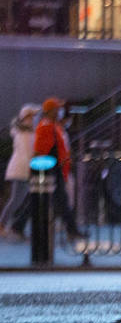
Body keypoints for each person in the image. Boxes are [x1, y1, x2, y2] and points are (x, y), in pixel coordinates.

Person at [10, 98, 84, 240]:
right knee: (49, 199)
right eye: (56, 109)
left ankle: (17, 226)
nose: (59, 112)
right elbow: (41, 149)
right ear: (50, 111)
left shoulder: (52, 125)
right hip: (49, 169)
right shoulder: (46, 126)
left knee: (40, 199)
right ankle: (72, 230)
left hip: (51, 168)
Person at [0, 104, 39, 239]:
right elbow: (29, 152)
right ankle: (3, 225)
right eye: (32, 116)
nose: (34, 119)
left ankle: (11, 225)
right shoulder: (25, 133)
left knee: (20, 199)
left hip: (22, 169)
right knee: (17, 199)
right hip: (22, 169)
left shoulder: (23, 131)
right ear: (26, 117)